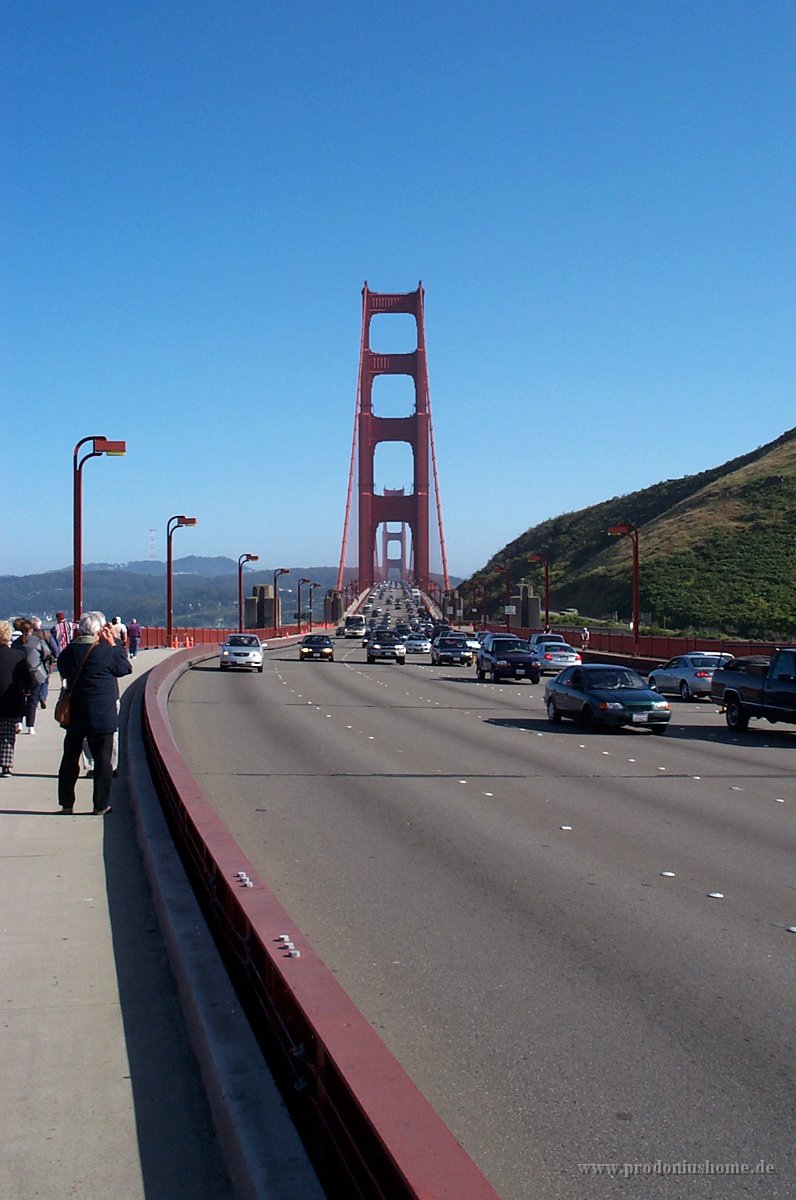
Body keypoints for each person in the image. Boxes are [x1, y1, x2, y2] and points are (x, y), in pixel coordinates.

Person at [56, 611, 132, 815]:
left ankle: (66, 804)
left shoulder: (68, 652)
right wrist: (114, 645)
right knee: (102, 762)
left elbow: (62, 668)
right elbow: (124, 668)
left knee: (70, 759)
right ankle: (100, 805)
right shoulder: (106, 652)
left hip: (75, 713)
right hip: (102, 714)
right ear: (99, 630)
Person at [0, 620, 30, 776]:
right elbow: (27, 678)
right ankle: (6, 765)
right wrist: (27, 690)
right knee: (7, 733)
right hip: (10, 699)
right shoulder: (18, 655)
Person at [16, 619, 54, 734]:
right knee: (33, 700)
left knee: (20, 699)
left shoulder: (16, 643)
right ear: (31, 630)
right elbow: (47, 654)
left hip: (20, 674)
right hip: (36, 673)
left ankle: (18, 722)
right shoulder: (37, 641)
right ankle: (31, 726)